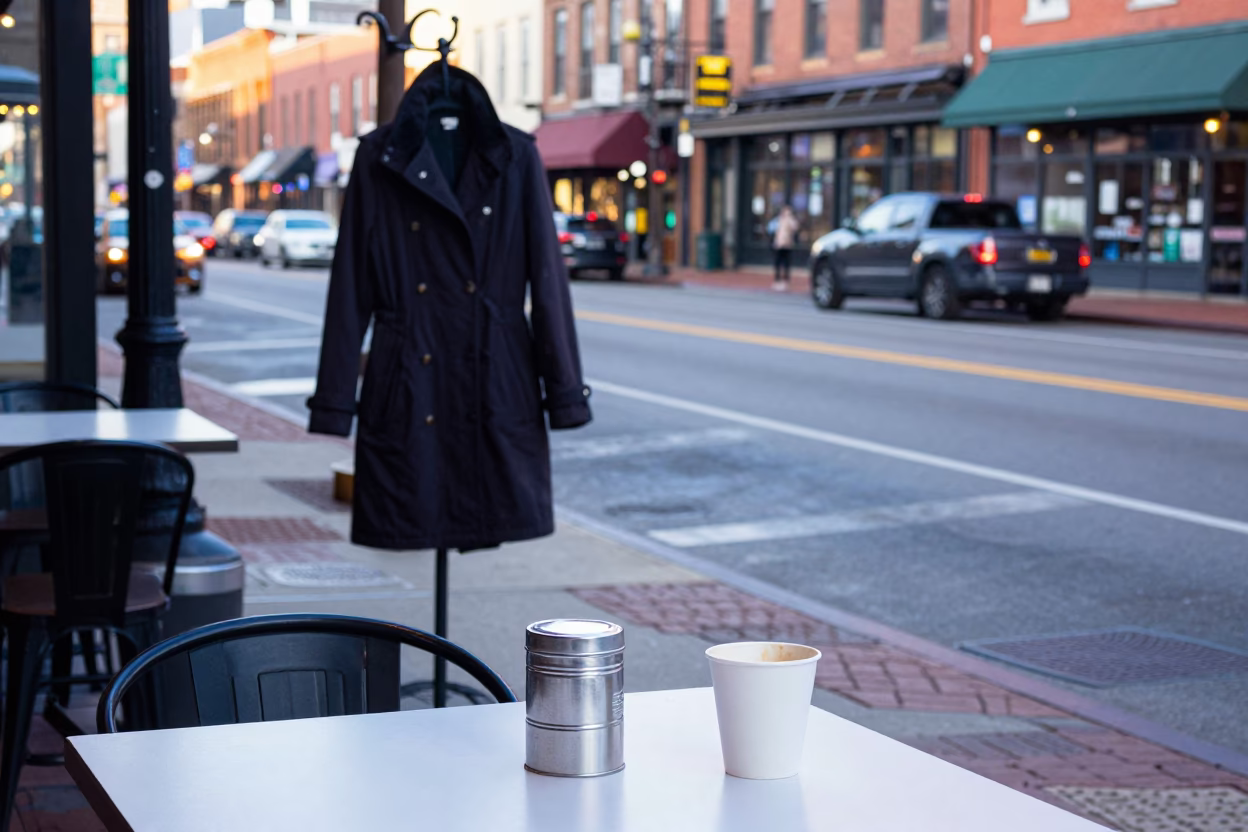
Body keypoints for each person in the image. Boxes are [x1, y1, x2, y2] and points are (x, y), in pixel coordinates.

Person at [770, 205, 800, 291]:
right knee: (777, 263)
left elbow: (795, 227)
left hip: (787, 245)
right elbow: (771, 228)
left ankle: (785, 281)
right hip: (778, 245)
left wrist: (789, 218)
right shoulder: (778, 220)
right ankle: (777, 280)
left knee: (786, 263)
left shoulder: (790, 221)